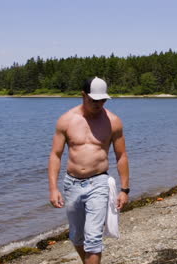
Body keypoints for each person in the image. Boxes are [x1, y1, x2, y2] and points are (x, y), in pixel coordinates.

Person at [48, 76, 130, 264]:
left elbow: (122, 156)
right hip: (72, 183)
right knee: (77, 237)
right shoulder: (66, 120)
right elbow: (55, 155)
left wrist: (125, 190)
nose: (98, 104)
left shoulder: (113, 121)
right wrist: (53, 188)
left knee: (93, 239)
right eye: (94, 100)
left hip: (99, 182)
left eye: (102, 100)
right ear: (83, 95)